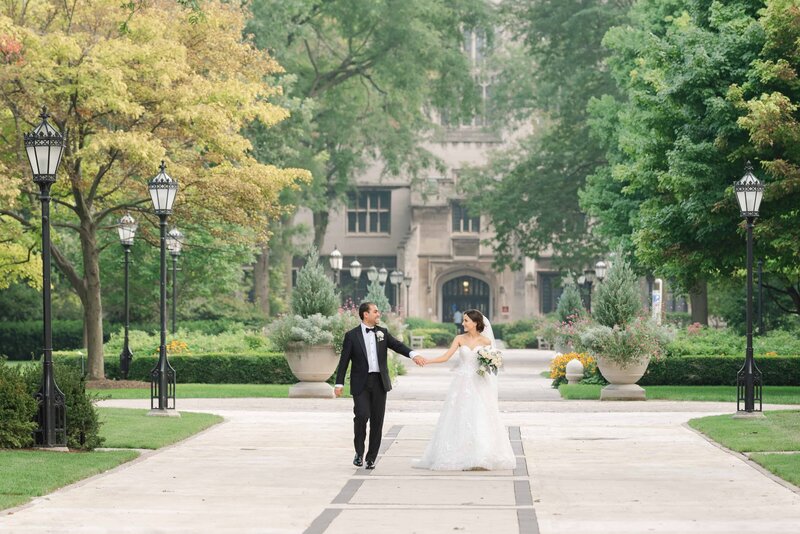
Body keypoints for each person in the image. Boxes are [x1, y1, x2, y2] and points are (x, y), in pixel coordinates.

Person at [413, 309, 516, 471]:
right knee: (459, 417)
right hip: (461, 383)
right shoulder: (459, 339)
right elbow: (446, 357)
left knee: (480, 417)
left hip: (480, 383)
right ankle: (459, 454)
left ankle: (481, 456)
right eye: (463, 320)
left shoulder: (486, 342)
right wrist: (428, 361)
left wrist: (490, 362)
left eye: (466, 320)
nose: (463, 323)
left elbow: (491, 364)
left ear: (475, 323)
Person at [335, 302, 426, 470]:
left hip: (379, 383)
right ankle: (359, 452)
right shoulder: (352, 336)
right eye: (375, 312)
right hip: (360, 383)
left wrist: (413, 354)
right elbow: (344, 361)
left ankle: (371, 458)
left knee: (377, 421)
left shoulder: (382, 333)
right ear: (365, 315)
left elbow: (397, 346)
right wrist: (339, 383)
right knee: (362, 416)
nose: (379, 314)